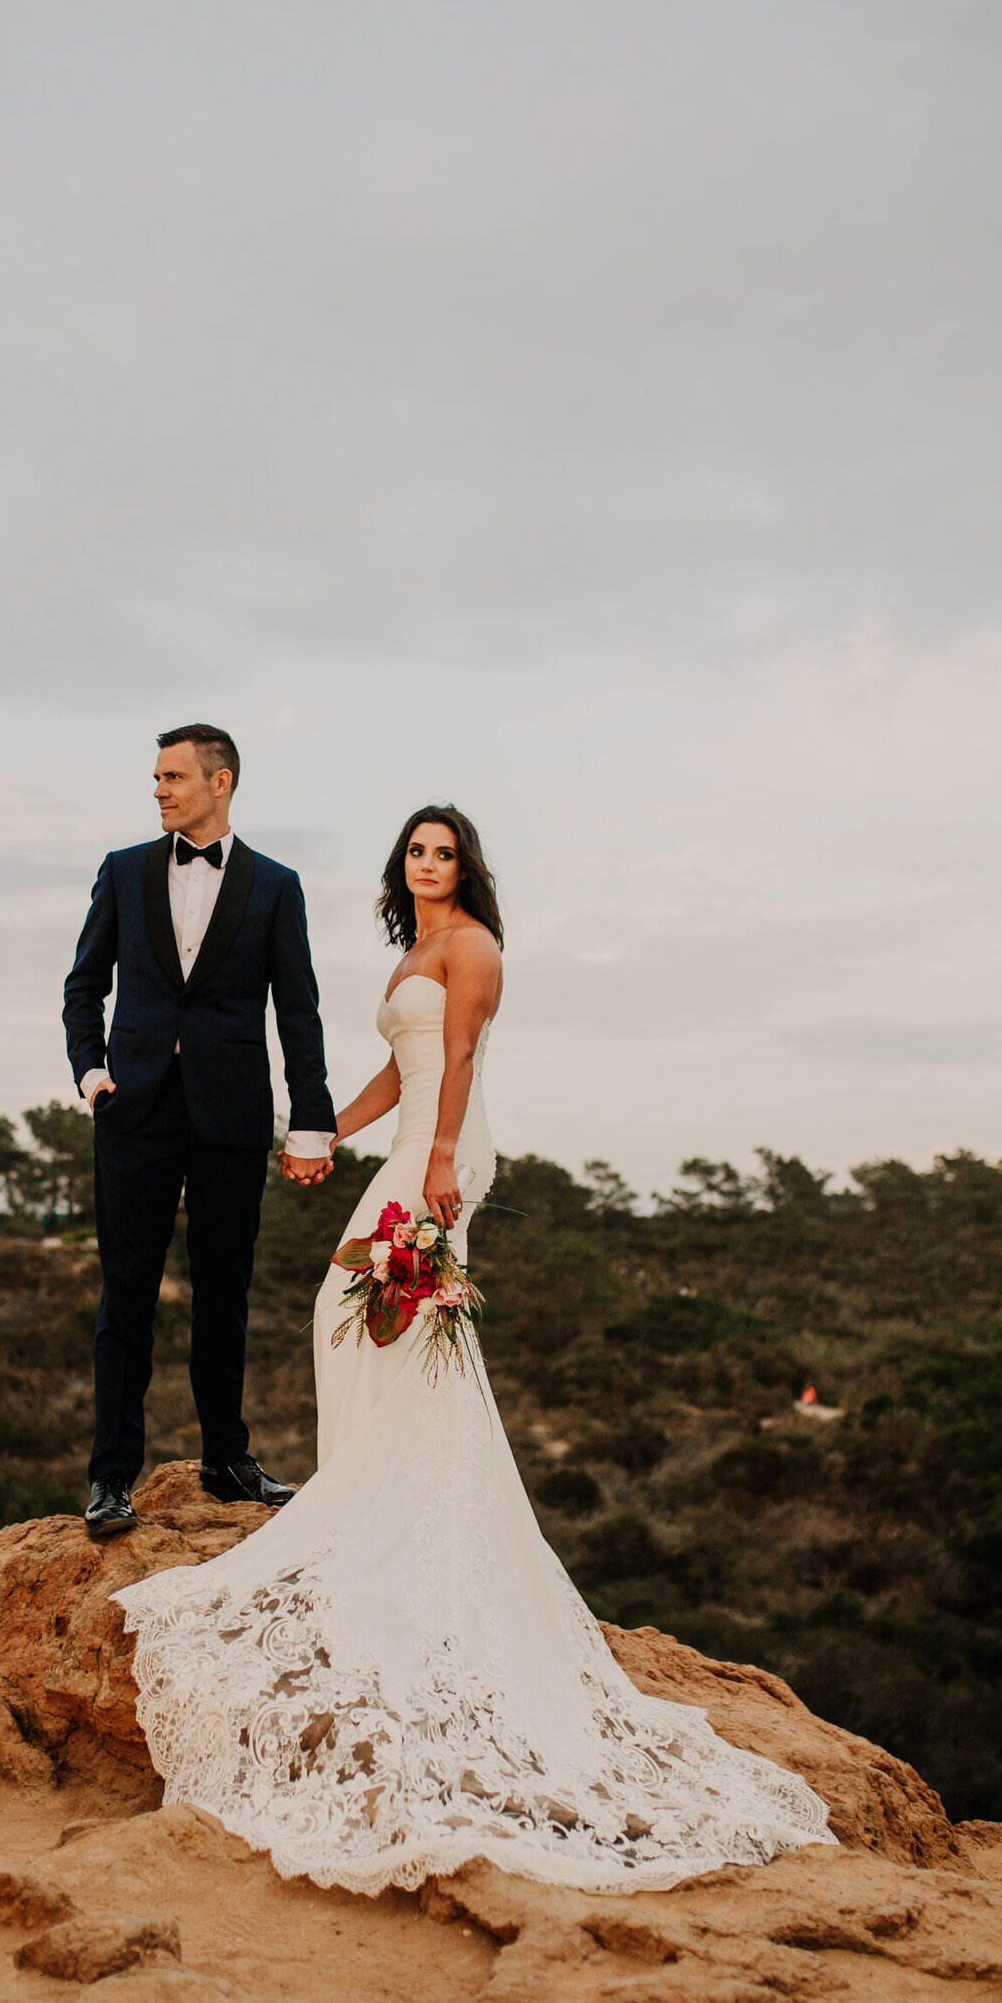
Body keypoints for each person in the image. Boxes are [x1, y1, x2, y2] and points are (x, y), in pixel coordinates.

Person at [113, 806, 835, 1894]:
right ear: (402, 867)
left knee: (354, 1307)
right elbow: (393, 1069)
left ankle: (383, 1514)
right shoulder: (414, 945)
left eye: (444, 852)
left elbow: (451, 1062)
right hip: (408, 1139)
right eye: (416, 851)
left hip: (447, 1153)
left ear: (467, 867)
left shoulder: (472, 947)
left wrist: (440, 1160)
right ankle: (381, 1504)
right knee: (369, 1322)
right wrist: (321, 1134)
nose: (429, 865)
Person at [63, 724, 336, 1536]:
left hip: (230, 1116)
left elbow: (299, 1011)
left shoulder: (276, 885)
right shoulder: (123, 872)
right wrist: (92, 1074)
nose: (158, 789)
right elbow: (83, 987)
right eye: (155, 777)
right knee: (127, 1296)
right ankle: (111, 1478)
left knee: (224, 1294)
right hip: (134, 1112)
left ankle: (227, 1461)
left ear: (221, 782)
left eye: (174, 776)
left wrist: (311, 1121)